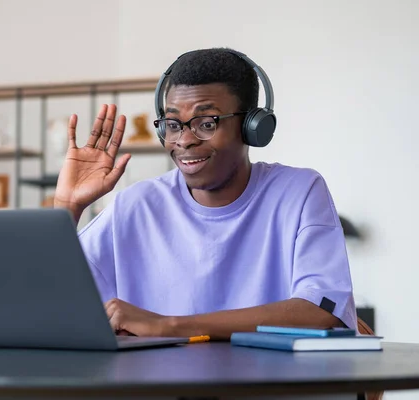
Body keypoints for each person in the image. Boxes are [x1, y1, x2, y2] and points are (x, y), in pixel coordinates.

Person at [53, 48, 357, 340]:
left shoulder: (299, 192)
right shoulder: (134, 205)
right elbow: (52, 298)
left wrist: (169, 326)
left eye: (206, 123)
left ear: (253, 126)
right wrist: (67, 206)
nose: (184, 140)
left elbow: (321, 310)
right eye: (173, 124)